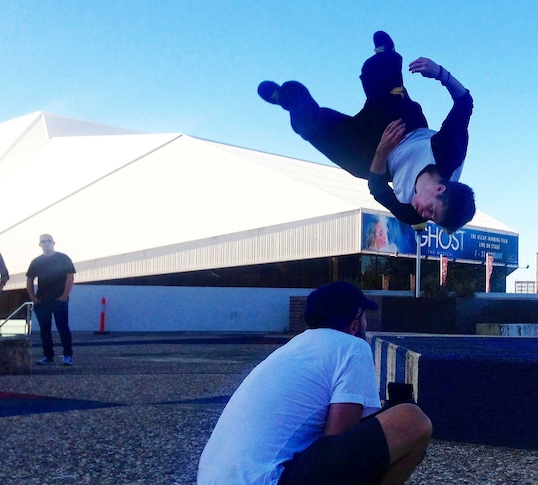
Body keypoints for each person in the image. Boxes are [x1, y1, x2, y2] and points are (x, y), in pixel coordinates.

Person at [198, 281, 432, 485]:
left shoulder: (293, 349)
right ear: (354, 325)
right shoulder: (352, 347)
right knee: (412, 420)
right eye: (364, 318)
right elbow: (337, 442)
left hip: (216, 477)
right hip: (267, 480)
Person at [257, 31, 476, 233]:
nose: (424, 216)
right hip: (402, 125)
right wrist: (439, 73)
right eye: (433, 212)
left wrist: (381, 152)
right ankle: (385, 54)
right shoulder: (449, 154)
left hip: (376, 158)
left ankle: (286, 97)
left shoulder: (409, 212)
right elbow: (464, 103)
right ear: (439, 189)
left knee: (310, 128)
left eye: (431, 219)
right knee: (373, 73)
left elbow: (377, 188)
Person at [26, 234, 76, 365]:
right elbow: (30, 279)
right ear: (40, 244)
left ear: (54, 243)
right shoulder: (36, 261)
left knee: (63, 327)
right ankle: (48, 356)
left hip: (59, 299)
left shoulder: (63, 258)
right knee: (44, 329)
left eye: (48, 241)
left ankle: (68, 355)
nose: (46, 243)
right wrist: (32, 296)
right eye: (43, 241)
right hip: (42, 300)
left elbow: (70, 277)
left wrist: (65, 295)